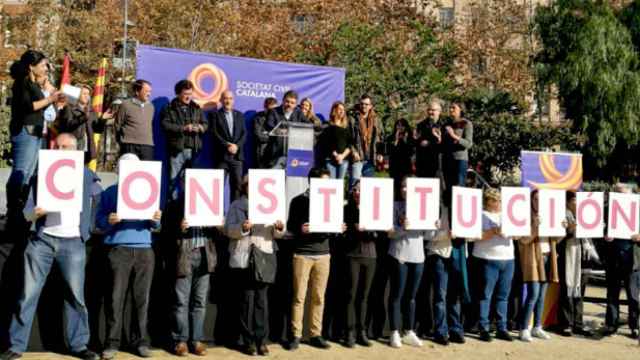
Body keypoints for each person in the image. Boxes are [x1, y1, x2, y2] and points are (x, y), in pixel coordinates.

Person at [0, 133, 99, 360]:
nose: (62, 150)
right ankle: (16, 346)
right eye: (59, 147)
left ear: (76, 150)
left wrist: (87, 230)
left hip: (73, 242)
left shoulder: (86, 175)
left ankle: (79, 345)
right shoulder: (41, 174)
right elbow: (26, 212)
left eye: (67, 147)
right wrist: (35, 213)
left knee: (76, 297)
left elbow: (98, 201)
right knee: (27, 295)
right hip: (42, 242)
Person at [96, 153, 162, 359]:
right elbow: (98, 222)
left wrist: (156, 219)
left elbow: (157, 226)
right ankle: (112, 343)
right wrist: (109, 220)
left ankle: (140, 342)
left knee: (142, 299)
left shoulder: (149, 189)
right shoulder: (110, 192)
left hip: (144, 249)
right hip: (119, 249)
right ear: (118, 171)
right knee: (115, 299)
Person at [287, 167, 345, 351]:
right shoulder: (299, 201)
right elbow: (290, 226)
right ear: (312, 182)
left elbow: (334, 227)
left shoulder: (332, 201)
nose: (326, 185)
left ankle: (315, 334)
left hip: (323, 254)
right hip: (302, 254)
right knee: (299, 297)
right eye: (323, 181)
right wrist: (300, 229)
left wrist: (339, 228)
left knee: (319, 297)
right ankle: (295, 334)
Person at [225, 177, 285, 356]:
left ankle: (262, 341)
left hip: (264, 254)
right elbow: (229, 230)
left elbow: (280, 233)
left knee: (262, 301)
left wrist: (279, 228)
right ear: (245, 187)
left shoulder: (272, 204)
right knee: (246, 300)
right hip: (244, 256)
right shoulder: (237, 205)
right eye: (251, 185)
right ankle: (248, 341)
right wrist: (243, 227)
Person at [6, 50, 64, 227]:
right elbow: (28, 107)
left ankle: (21, 211)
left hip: (37, 133)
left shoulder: (34, 85)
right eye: (43, 65)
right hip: (25, 132)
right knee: (21, 172)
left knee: (30, 174)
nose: (46, 68)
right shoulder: (21, 84)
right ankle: (13, 212)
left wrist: (53, 95)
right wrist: (50, 99)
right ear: (31, 66)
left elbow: (45, 103)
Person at [164, 182, 219, 357]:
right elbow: (165, 230)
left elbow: (217, 235)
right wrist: (179, 227)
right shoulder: (175, 206)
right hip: (184, 257)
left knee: (200, 302)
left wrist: (218, 224)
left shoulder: (211, 204)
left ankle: (196, 340)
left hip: (205, 257)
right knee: (181, 301)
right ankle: (180, 341)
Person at [386, 177, 426, 349]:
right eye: (403, 186)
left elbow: (429, 235)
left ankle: (408, 331)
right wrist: (403, 229)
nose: (405, 190)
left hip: (418, 256)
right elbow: (389, 233)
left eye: (408, 187)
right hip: (399, 255)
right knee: (397, 295)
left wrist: (434, 225)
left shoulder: (425, 206)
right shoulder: (394, 206)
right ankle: (394, 331)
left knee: (411, 297)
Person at [517, 190, 558, 342]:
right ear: (531, 200)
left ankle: (537, 327)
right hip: (533, 259)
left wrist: (562, 228)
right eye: (536, 199)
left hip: (548, 257)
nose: (538, 202)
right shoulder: (525, 217)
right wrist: (535, 226)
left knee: (541, 296)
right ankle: (523, 328)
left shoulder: (550, 215)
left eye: (541, 199)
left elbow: (556, 239)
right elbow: (523, 240)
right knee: (533, 294)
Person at [475, 188, 515, 342]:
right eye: (495, 200)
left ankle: (501, 328)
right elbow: (473, 237)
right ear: (488, 201)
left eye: (500, 200)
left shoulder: (508, 215)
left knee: (503, 296)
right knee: (485, 295)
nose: (499, 203)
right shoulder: (480, 215)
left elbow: (518, 235)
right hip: (487, 258)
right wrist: (493, 232)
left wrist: (511, 232)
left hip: (508, 259)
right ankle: (483, 328)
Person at [343, 181, 379, 347]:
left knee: (364, 296)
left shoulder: (375, 210)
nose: (357, 192)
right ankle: (349, 332)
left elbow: (379, 233)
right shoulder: (346, 209)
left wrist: (370, 230)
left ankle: (361, 331)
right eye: (355, 189)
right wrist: (352, 228)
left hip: (370, 256)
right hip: (352, 255)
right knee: (351, 294)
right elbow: (341, 233)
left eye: (361, 190)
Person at [425, 205, 467, 346]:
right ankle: (441, 331)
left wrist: (466, 232)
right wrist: (445, 234)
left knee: (455, 295)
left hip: (458, 254)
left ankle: (455, 329)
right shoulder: (435, 207)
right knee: (440, 295)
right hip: (438, 254)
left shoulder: (464, 206)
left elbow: (473, 236)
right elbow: (427, 235)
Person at [161, 79, 208, 201]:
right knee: (173, 181)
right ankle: (173, 210)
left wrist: (201, 127)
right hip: (177, 150)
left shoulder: (196, 107)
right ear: (178, 93)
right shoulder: (169, 108)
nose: (188, 97)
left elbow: (205, 123)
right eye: (185, 94)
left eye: (190, 94)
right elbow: (165, 125)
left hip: (194, 150)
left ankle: (189, 209)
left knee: (193, 182)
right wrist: (183, 128)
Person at [556, 190, 594, 337]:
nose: (577, 203)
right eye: (574, 200)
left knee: (580, 292)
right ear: (567, 202)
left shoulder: (587, 215)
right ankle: (565, 324)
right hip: (568, 256)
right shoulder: (562, 216)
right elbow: (558, 237)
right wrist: (570, 230)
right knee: (567, 290)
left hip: (584, 257)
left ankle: (578, 323)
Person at [603, 183, 639, 338]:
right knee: (612, 294)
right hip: (613, 259)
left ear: (631, 195)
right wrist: (605, 236)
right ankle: (611, 324)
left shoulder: (638, 210)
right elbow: (596, 229)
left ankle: (634, 325)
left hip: (633, 260)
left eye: (623, 193)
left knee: (633, 295)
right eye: (617, 193)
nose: (620, 196)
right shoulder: (607, 210)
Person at [56, 84, 111, 164]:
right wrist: (83, 117)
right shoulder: (69, 108)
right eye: (84, 93)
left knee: (83, 170)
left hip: (87, 146)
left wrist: (102, 119)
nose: (87, 96)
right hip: (73, 145)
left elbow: (97, 130)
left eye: (88, 94)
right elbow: (67, 125)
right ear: (78, 95)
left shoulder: (91, 111)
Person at [210, 90, 246, 201]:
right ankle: (217, 214)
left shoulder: (239, 115)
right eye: (225, 98)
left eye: (230, 98)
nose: (228, 101)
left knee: (237, 187)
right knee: (218, 186)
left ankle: (233, 214)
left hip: (237, 157)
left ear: (233, 100)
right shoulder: (215, 115)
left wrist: (237, 146)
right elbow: (214, 133)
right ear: (221, 100)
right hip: (222, 157)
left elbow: (244, 133)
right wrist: (227, 145)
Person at [264, 90, 309, 168]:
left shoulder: (298, 113)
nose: (289, 104)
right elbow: (269, 126)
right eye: (287, 102)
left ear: (295, 104)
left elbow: (308, 125)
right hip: (275, 153)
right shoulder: (274, 112)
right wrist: (287, 132)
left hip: (293, 154)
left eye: (292, 103)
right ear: (283, 101)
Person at [348, 94, 384, 189]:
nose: (364, 106)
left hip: (371, 158)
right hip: (357, 158)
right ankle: (352, 203)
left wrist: (380, 153)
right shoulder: (352, 118)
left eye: (366, 104)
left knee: (368, 187)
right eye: (362, 104)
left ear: (371, 106)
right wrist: (353, 152)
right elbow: (348, 138)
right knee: (354, 185)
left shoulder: (376, 119)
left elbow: (381, 137)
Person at [114, 80, 155, 160]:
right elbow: (117, 124)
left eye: (150, 91)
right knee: (128, 171)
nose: (149, 94)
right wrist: (121, 141)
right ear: (137, 91)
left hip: (147, 145)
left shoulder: (151, 107)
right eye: (146, 91)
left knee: (145, 171)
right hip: (129, 144)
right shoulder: (126, 105)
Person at [318, 102, 351, 179]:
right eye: (339, 109)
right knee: (332, 184)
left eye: (343, 110)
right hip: (330, 160)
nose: (342, 111)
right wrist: (336, 155)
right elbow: (326, 143)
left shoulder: (346, 127)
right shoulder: (327, 125)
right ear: (334, 110)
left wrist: (342, 156)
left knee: (340, 184)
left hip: (343, 160)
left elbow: (350, 144)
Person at [387, 118, 414, 198]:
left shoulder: (410, 137)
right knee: (395, 187)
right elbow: (390, 151)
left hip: (406, 166)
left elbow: (411, 151)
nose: (400, 127)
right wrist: (396, 139)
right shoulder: (391, 137)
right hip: (394, 166)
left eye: (402, 125)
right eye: (398, 125)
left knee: (405, 186)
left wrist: (405, 140)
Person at [415, 100, 443, 178]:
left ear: (439, 111)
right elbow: (416, 141)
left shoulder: (444, 125)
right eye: (429, 110)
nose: (430, 112)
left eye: (433, 110)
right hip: (423, 162)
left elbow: (445, 143)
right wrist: (418, 141)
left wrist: (430, 143)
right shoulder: (421, 125)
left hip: (439, 162)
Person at [253, 97, 278, 169]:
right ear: (265, 107)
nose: (273, 112)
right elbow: (259, 136)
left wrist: (267, 134)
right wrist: (273, 137)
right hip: (263, 152)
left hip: (276, 153)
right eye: (270, 110)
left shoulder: (278, 117)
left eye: (274, 109)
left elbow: (281, 135)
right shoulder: (258, 117)